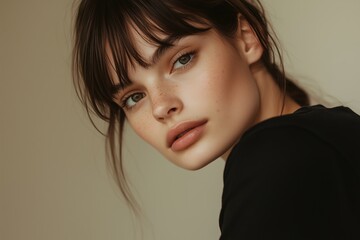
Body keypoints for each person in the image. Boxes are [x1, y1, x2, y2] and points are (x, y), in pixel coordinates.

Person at [72, 0, 360, 239]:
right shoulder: (322, 140)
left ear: (246, 38)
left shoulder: (274, 158)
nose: (160, 107)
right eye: (134, 97)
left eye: (182, 59)